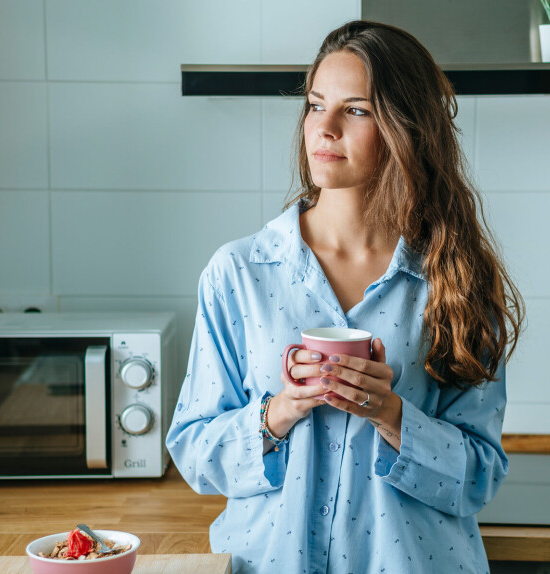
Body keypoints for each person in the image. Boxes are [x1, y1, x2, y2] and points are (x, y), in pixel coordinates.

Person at [166, 19, 525, 574]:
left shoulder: (455, 279)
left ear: (407, 129)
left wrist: (391, 413)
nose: (323, 127)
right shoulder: (238, 273)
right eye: (314, 105)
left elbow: (480, 476)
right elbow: (194, 452)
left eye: (355, 110)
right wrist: (279, 411)